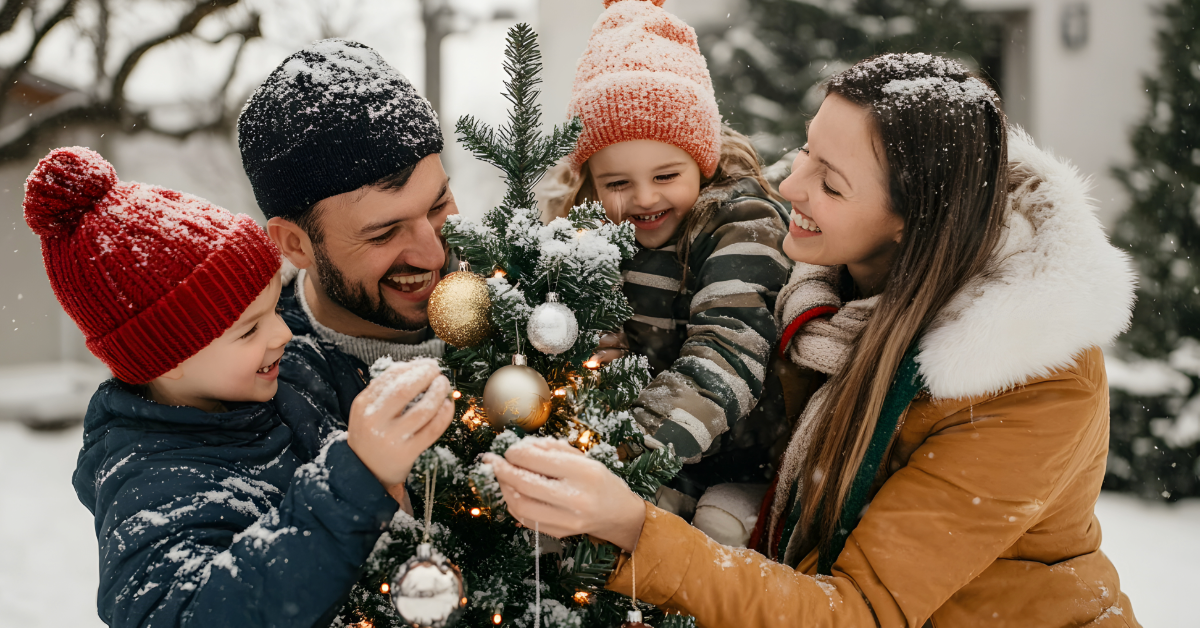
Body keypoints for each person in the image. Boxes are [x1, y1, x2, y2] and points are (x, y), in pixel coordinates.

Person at [486, 53, 1142, 627]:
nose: (789, 185)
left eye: (830, 182)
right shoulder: (808, 283)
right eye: (806, 150)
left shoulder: (1028, 382)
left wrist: (633, 524)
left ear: (910, 222)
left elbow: (857, 611)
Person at [24, 147, 454, 627]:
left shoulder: (284, 376)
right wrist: (355, 479)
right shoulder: (151, 482)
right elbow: (188, 615)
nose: (283, 334)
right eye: (249, 329)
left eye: (272, 310)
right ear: (168, 359)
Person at [540, 0, 792, 535]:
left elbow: (730, 350)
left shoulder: (740, 223)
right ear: (589, 182)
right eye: (617, 183)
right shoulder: (587, 236)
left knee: (711, 527)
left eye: (667, 174)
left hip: (742, 455)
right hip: (650, 451)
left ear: (702, 160)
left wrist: (626, 447)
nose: (644, 197)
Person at [238, 39, 455, 423]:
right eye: (384, 233)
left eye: (438, 206)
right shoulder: (247, 393)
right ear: (295, 244)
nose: (435, 256)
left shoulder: (530, 308)